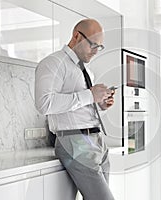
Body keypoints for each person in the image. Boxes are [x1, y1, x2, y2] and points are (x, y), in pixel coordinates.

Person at [35, 19, 115, 200]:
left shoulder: (86, 70)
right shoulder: (53, 63)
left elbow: (80, 107)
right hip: (75, 140)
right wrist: (89, 95)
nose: (95, 51)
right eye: (93, 45)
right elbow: (44, 103)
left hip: (97, 140)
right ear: (77, 35)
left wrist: (100, 104)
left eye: (99, 47)